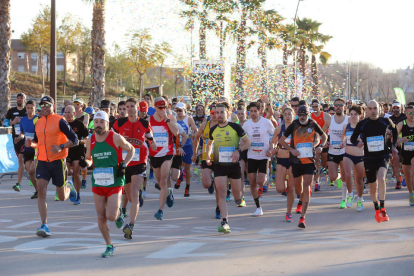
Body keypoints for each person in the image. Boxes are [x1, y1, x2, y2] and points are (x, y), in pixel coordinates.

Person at [79, 111, 134, 257]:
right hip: (98, 181)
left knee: (111, 216)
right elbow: (89, 158)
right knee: (101, 217)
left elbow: (131, 149)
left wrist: (124, 164)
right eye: (96, 122)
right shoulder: (90, 140)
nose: (98, 124)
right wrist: (86, 162)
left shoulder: (115, 137)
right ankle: (109, 245)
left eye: (101, 122)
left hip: (114, 180)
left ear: (107, 124)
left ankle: (119, 212)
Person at [25, 96, 79, 237]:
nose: (44, 107)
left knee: (61, 197)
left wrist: (61, 146)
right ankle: (44, 225)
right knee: (41, 191)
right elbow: (38, 143)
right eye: (42, 105)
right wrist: (32, 144)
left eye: (47, 105)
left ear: (53, 107)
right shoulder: (38, 122)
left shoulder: (59, 121)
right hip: (42, 162)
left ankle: (69, 187)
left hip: (58, 162)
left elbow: (75, 140)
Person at [112, 98, 156, 239]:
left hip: (139, 163)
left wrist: (153, 144)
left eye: (132, 106)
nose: (129, 109)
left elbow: (150, 139)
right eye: (127, 107)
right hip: (124, 163)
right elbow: (110, 138)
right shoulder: (119, 123)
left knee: (135, 193)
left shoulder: (144, 123)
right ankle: (122, 211)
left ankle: (131, 224)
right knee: (128, 195)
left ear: (137, 108)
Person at [278, 105, 327, 229]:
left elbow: (324, 137)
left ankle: (302, 218)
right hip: (296, 161)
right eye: (300, 114)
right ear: (297, 114)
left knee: (306, 188)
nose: (302, 117)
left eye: (304, 114)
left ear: (308, 114)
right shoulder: (294, 124)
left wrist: (320, 146)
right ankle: (301, 200)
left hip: (309, 161)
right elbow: (282, 141)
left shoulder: (312, 123)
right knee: (298, 190)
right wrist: (291, 150)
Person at [206, 102, 251, 233]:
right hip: (219, 165)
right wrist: (208, 156)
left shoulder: (235, 127)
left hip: (233, 166)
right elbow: (209, 144)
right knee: (221, 192)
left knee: (237, 197)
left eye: (221, 112)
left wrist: (238, 150)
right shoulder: (213, 129)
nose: (219, 115)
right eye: (216, 113)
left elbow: (247, 142)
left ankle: (238, 198)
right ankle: (225, 221)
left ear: (228, 113)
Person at [350, 100, 398, 223]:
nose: (373, 111)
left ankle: (382, 207)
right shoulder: (363, 123)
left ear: (379, 109)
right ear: (366, 110)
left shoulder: (385, 121)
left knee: (381, 178)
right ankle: (376, 207)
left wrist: (394, 145)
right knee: (373, 187)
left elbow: (395, 130)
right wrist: (358, 143)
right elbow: (353, 137)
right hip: (369, 158)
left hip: (383, 156)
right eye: (370, 109)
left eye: (375, 108)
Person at [149, 97, 179, 220]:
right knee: (161, 183)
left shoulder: (171, 118)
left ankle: (160, 210)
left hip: (167, 152)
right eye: (159, 107)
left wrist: (167, 120)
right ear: (155, 107)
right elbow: (145, 135)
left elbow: (176, 133)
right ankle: (168, 192)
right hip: (154, 154)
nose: (162, 109)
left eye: (164, 107)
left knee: (164, 178)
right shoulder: (149, 120)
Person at [243, 102, 275, 217]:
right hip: (251, 155)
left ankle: (266, 173)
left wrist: (271, 149)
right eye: (251, 111)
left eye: (255, 111)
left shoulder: (266, 122)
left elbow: (274, 136)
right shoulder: (246, 125)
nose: (253, 113)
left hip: (263, 155)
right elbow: (243, 139)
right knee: (252, 182)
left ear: (259, 111)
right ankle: (258, 207)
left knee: (260, 181)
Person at [192, 104, 221, 218]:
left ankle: (218, 208)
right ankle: (211, 180)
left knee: (219, 187)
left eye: (217, 113)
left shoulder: (223, 125)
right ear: (209, 113)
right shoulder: (205, 125)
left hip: (219, 158)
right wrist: (195, 153)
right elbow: (197, 138)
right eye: (212, 113)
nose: (214, 115)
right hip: (206, 157)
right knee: (206, 184)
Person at [340, 105, 364, 211]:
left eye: (355, 114)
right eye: (351, 114)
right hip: (348, 154)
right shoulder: (346, 126)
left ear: (360, 115)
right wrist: (342, 142)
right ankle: (350, 194)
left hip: (360, 156)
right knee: (347, 175)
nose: (353, 116)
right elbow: (343, 137)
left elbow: (367, 140)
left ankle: (359, 198)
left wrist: (362, 141)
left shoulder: (363, 127)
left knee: (358, 180)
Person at [272, 107, 295, 222]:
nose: (287, 116)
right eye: (285, 114)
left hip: (293, 160)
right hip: (281, 159)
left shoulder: (297, 128)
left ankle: (288, 212)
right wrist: (273, 149)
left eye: (289, 114)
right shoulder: (279, 128)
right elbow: (272, 143)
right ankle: (284, 183)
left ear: (293, 115)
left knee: (291, 188)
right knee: (280, 189)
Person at [64, 105, 89, 205]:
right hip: (66, 152)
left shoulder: (79, 124)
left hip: (78, 152)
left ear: (74, 113)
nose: (68, 115)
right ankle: (70, 185)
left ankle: (78, 195)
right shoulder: (62, 124)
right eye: (66, 112)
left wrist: (80, 142)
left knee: (75, 173)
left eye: (70, 112)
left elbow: (87, 138)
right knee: (65, 173)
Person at [326, 98, 348, 208]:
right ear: (334, 107)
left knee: (345, 176)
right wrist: (324, 142)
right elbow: (321, 132)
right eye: (336, 105)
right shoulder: (330, 120)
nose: (338, 107)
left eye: (340, 105)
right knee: (333, 177)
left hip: (344, 151)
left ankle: (344, 199)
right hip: (332, 151)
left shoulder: (348, 120)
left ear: (344, 107)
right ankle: (338, 177)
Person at [175, 102, 198, 197]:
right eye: (177, 110)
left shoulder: (189, 119)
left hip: (187, 146)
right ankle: (180, 177)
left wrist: (188, 136)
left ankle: (187, 188)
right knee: (177, 167)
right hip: (176, 145)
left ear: (185, 110)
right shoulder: (173, 118)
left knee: (187, 169)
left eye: (180, 110)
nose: (178, 112)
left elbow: (196, 132)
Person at [17, 100, 38, 199]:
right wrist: (19, 137)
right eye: (28, 108)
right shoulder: (23, 120)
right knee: (30, 171)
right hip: (28, 148)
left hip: (38, 148)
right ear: (26, 108)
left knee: (35, 169)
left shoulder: (38, 119)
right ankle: (38, 191)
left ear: (35, 108)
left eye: (31, 108)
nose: (29, 110)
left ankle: (42, 188)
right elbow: (22, 133)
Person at [6, 92, 27, 192]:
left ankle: (19, 183)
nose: (19, 99)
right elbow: (5, 123)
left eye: (21, 98)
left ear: (25, 100)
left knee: (21, 158)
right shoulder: (11, 111)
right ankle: (31, 176)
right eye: (18, 98)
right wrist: (12, 122)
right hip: (16, 138)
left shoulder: (28, 110)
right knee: (21, 160)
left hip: (28, 138)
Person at [310, 99, 331, 191]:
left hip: (324, 140)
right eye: (313, 106)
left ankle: (327, 169)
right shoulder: (310, 116)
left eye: (316, 106)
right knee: (316, 161)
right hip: (315, 141)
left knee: (324, 163)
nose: (315, 108)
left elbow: (329, 127)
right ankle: (316, 182)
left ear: (320, 106)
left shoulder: (326, 115)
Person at [396, 105, 414, 206]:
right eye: (410, 113)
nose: (412, 115)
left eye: (413, 113)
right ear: (406, 113)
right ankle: (411, 194)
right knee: (408, 176)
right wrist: (400, 140)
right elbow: (394, 139)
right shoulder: (401, 124)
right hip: (405, 152)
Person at [390, 102, 406, 189]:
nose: (396, 109)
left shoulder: (405, 117)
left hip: (406, 144)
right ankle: (398, 181)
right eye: (394, 108)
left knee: (405, 164)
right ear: (392, 109)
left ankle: (404, 177)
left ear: (401, 108)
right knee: (395, 162)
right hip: (395, 144)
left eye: (397, 108)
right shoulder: (390, 119)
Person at [236, 105, 248, 200]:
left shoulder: (249, 123)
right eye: (239, 113)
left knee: (251, 176)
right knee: (241, 174)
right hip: (240, 151)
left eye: (242, 113)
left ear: (245, 113)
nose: (240, 115)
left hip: (250, 150)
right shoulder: (235, 124)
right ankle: (241, 197)